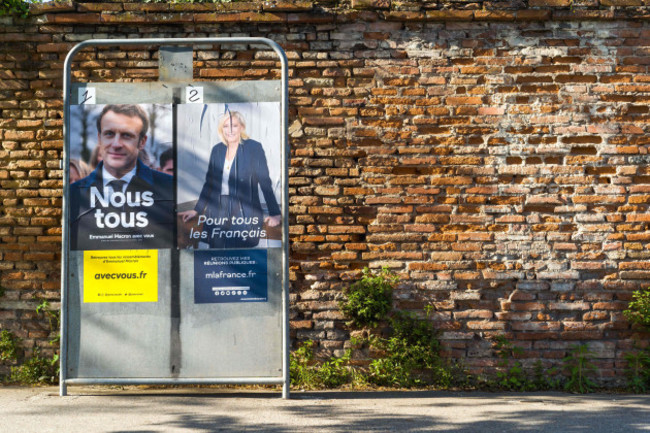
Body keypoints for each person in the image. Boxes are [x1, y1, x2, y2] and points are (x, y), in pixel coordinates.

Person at [69, 104, 174, 250]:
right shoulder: (73, 194)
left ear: (142, 142)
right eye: (109, 134)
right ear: (99, 139)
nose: (116, 144)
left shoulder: (170, 188)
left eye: (127, 135)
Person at [179, 111, 280, 249]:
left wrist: (275, 213)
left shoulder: (253, 148)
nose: (230, 130)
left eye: (234, 126)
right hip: (218, 209)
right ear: (222, 129)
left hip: (244, 208)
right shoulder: (217, 150)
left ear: (242, 128)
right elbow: (210, 184)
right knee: (216, 251)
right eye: (226, 126)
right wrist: (197, 210)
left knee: (241, 253)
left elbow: (264, 182)